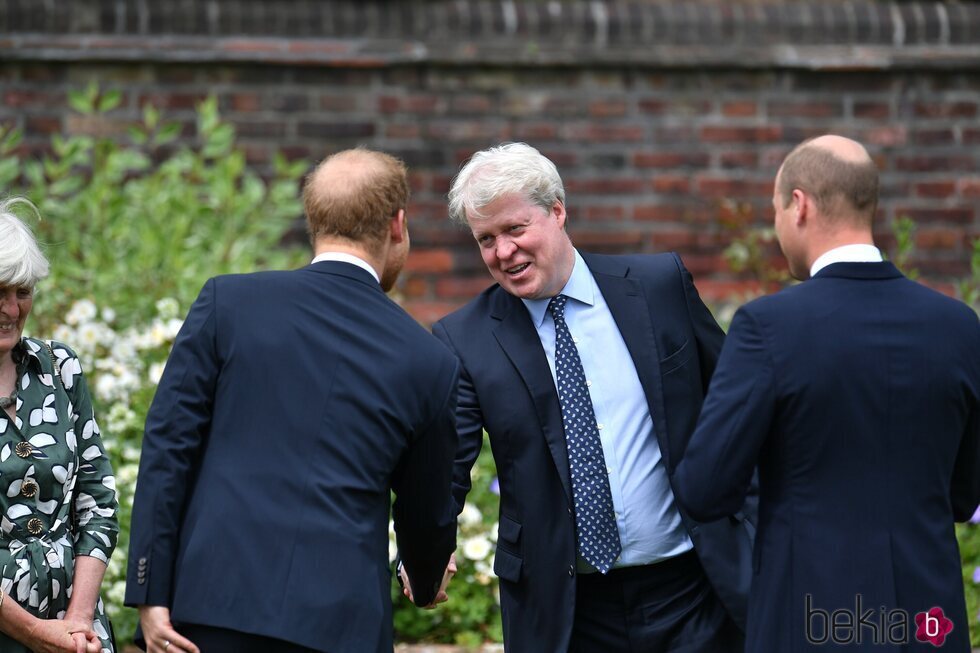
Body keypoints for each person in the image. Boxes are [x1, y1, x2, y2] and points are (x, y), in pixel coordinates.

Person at [421, 143, 755, 652]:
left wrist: (756, 517)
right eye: (485, 239)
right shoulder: (464, 338)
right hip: (565, 610)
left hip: (693, 590)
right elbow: (447, 463)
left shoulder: (657, 286)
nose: (503, 253)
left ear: (557, 211)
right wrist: (428, 545)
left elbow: (740, 405)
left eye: (514, 229)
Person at [124, 148, 460, 653]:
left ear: (313, 221)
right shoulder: (427, 359)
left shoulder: (228, 304)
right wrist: (427, 577)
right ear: (398, 224)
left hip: (209, 613)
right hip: (340, 627)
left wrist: (151, 593)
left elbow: (168, 449)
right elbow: (427, 509)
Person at [674, 135, 980, 652]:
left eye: (774, 209)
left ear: (799, 205)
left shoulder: (768, 327)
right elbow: (964, 493)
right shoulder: (958, 326)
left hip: (812, 619)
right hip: (928, 622)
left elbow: (706, 488)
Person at [0, 197, 119, 653]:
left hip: (77, 630)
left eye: (23, 292)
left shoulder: (58, 367)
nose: (11, 309)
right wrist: (34, 634)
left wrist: (78, 622)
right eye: (0, 292)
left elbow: (98, 498)